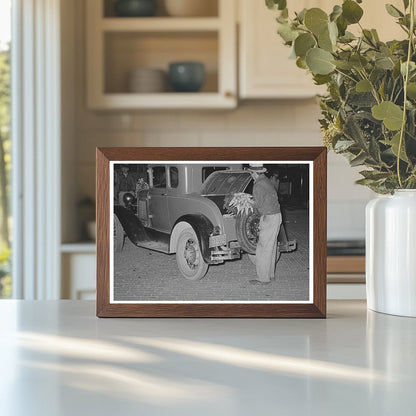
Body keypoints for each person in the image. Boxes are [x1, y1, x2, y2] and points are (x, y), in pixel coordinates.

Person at [248, 164, 282, 285]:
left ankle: (263, 278)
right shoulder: (266, 181)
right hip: (277, 215)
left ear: (255, 173)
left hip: (268, 217)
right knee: (271, 247)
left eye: (251, 173)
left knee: (263, 248)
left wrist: (247, 202)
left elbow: (257, 204)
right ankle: (270, 275)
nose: (251, 176)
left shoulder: (258, 184)